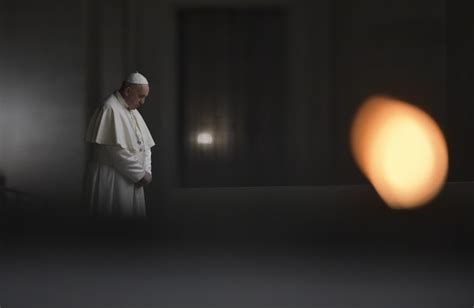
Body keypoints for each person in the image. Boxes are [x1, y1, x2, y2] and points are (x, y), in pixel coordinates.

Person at [84, 72, 155, 218]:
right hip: (112, 178)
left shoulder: (132, 109)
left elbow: (145, 145)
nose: (143, 102)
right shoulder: (109, 108)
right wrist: (141, 175)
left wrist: (146, 170)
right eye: (141, 96)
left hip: (134, 178)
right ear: (128, 91)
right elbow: (117, 152)